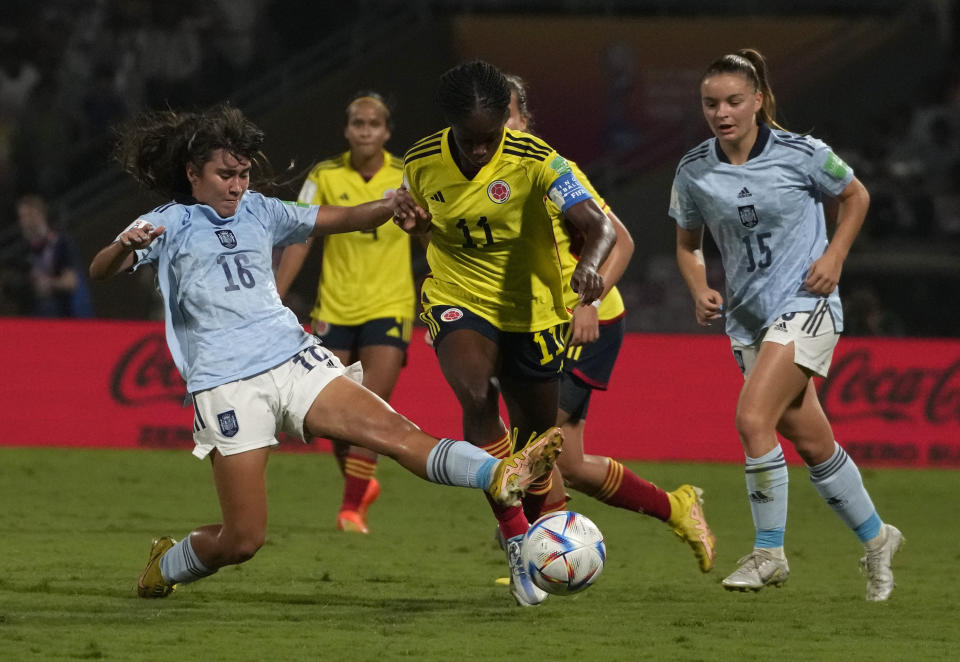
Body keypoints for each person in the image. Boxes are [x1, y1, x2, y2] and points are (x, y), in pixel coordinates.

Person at [88, 103, 563, 599]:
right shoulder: (170, 221)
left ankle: (499, 471)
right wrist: (125, 246)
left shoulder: (260, 210)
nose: (237, 186)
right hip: (226, 384)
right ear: (192, 173)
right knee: (244, 539)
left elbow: (341, 218)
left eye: (244, 174)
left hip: (293, 359)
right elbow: (101, 270)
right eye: (225, 175)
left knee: (396, 433)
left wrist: (390, 206)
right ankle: (167, 564)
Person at [669, 49, 903, 600]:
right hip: (748, 318)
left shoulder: (802, 153)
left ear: (758, 101)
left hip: (807, 303)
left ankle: (769, 552)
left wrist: (836, 256)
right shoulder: (694, 169)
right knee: (813, 440)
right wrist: (699, 286)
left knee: (753, 419)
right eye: (710, 103)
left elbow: (855, 195)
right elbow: (686, 243)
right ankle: (878, 539)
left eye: (732, 101)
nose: (721, 112)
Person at [400, 60, 616, 606]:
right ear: (450, 124)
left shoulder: (538, 159)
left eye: (489, 139)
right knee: (476, 394)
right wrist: (420, 228)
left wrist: (590, 267)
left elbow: (601, 226)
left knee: (538, 443)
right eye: (469, 140)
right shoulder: (421, 161)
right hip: (457, 296)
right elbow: (429, 231)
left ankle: (535, 526)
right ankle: (520, 543)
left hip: (532, 312)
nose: (479, 150)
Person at [503, 74, 716, 573]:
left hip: (583, 324)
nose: (499, 126)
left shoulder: (553, 171)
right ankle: (677, 507)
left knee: (538, 447)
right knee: (570, 464)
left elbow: (621, 240)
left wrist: (588, 304)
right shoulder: (483, 180)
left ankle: (541, 557)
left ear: (524, 120)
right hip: (530, 325)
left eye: (508, 114)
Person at [275, 91, 413, 534]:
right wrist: (275, 292)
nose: (366, 130)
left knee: (372, 403)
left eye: (374, 124)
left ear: (386, 131)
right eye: (358, 123)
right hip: (334, 306)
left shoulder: (407, 175)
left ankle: (351, 509)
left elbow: (430, 232)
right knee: (330, 413)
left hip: (390, 305)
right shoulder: (324, 175)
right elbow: (300, 234)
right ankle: (361, 484)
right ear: (348, 129)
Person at [14, 194, 91, 317]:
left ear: (40, 214)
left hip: (68, 314)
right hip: (41, 318)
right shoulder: (24, 252)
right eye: (22, 217)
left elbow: (71, 282)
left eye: (28, 215)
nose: (25, 221)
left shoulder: (61, 243)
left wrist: (49, 283)